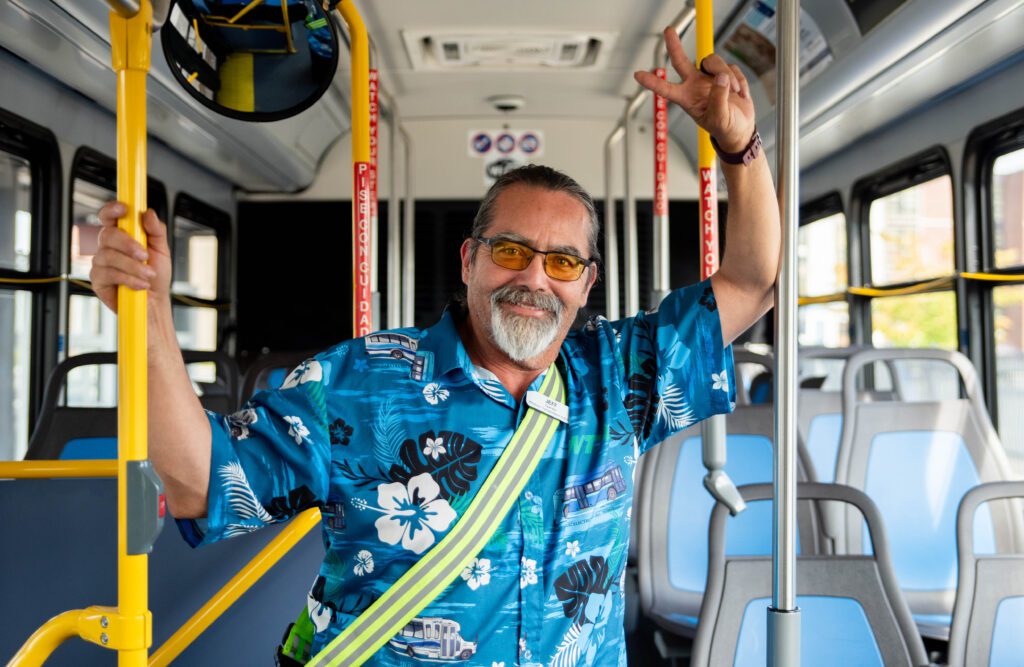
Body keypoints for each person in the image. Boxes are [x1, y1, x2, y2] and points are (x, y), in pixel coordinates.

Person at [90, 28, 779, 667]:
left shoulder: (620, 375)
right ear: (469, 260)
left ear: (586, 282)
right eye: (510, 251)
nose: (534, 278)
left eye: (562, 262)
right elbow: (199, 483)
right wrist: (150, 315)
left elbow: (752, 279)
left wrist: (742, 150)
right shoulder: (356, 382)